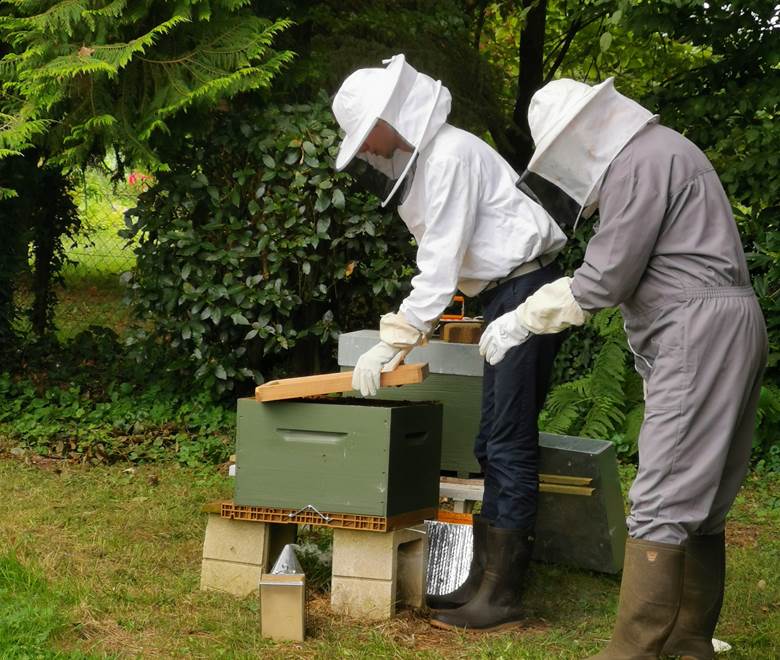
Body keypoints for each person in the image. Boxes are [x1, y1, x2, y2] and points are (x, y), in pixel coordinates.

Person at [479, 77, 768, 659]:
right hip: (730, 322)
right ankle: (687, 642)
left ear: (584, 133)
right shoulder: (667, 149)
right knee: (704, 495)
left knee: (663, 495)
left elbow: (605, 278)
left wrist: (525, 317)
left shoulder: (638, 161)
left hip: (695, 330)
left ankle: (633, 651)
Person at [332, 54, 567, 631]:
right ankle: (482, 579)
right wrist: (407, 332)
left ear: (388, 118)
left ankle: (502, 596)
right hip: (506, 293)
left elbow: (438, 265)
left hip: (524, 292)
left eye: (365, 137)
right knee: (491, 440)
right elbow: (447, 261)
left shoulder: (450, 157)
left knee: (508, 441)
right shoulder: (435, 158)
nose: (366, 150)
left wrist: (394, 339)